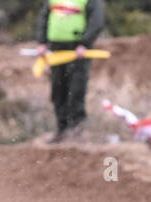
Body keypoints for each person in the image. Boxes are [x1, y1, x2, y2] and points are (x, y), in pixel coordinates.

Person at [32, 0, 106, 142]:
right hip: (56, 50)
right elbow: (44, 17)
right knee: (58, 91)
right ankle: (62, 130)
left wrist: (85, 43)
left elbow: (96, 20)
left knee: (76, 90)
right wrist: (42, 42)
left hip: (78, 51)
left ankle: (77, 130)